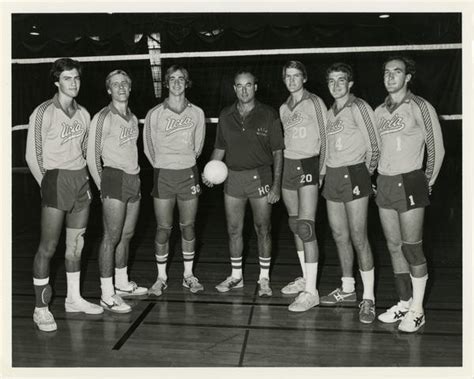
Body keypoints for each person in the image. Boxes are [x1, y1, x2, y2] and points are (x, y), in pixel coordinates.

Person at [25, 58, 103, 332]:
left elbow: (83, 150)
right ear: (57, 81)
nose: (74, 83)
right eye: (68, 78)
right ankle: (41, 308)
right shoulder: (44, 111)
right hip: (55, 180)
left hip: (80, 180)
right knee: (48, 247)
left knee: (76, 246)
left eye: (77, 78)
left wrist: (87, 180)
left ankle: (73, 299)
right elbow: (32, 155)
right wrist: (45, 184)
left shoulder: (83, 113)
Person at [374, 56, 445, 332]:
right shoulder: (379, 110)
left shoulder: (420, 106)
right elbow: (378, 149)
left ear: (408, 77)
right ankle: (404, 302)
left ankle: (418, 309)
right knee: (394, 246)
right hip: (386, 182)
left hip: (412, 181)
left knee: (412, 247)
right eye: (387, 72)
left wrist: (427, 181)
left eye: (397, 72)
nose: (391, 76)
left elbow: (436, 148)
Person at [203, 69, 284, 297]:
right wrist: (209, 171)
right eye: (239, 86)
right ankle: (236, 276)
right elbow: (220, 147)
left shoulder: (269, 114)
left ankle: (264, 278)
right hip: (233, 179)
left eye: (248, 85)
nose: (244, 90)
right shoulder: (226, 115)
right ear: (234, 89)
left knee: (263, 228)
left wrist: (276, 185)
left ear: (255, 87)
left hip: (260, 176)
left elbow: (278, 151)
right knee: (233, 229)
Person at [320, 63, 380, 323]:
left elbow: (375, 146)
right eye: (331, 81)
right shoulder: (330, 111)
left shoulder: (359, 107)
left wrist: (366, 175)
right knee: (339, 235)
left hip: (355, 173)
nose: (336, 85)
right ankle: (347, 289)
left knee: (359, 236)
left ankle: (369, 297)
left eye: (341, 80)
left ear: (350, 83)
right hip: (333, 176)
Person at [86, 69, 147, 313]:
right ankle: (106, 293)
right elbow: (92, 156)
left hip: (134, 178)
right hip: (113, 178)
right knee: (110, 237)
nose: (121, 87)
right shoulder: (102, 117)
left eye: (124, 83)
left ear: (130, 88)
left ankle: (122, 284)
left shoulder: (133, 118)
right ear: (108, 89)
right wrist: (103, 186)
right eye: (115, 84)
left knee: (127, 235)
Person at [144, 65, 206, 296]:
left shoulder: (197, 113)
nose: (177, 83)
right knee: (163, 228)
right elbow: (148, 148)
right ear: (167, 83)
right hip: (163, 174)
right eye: (173, 79)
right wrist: (164, 165)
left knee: (188, 226)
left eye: (182, 78)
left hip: (188, 172)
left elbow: (198, 147)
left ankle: (188, 275)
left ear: (187, 83)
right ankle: (161, 277)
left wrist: (183, 161)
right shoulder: (155, 113)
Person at [279, 61, 328, 312]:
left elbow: (326, 135)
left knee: (307, 227)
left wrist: (322, 170)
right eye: (288, 76)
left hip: (309, 164)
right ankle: (305, 279)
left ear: (304, 78)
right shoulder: (283, 108)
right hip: (288, 165)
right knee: (295, 224)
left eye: (297, 75)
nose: (292, 80)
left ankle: (312, 292)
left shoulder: (315, 102)